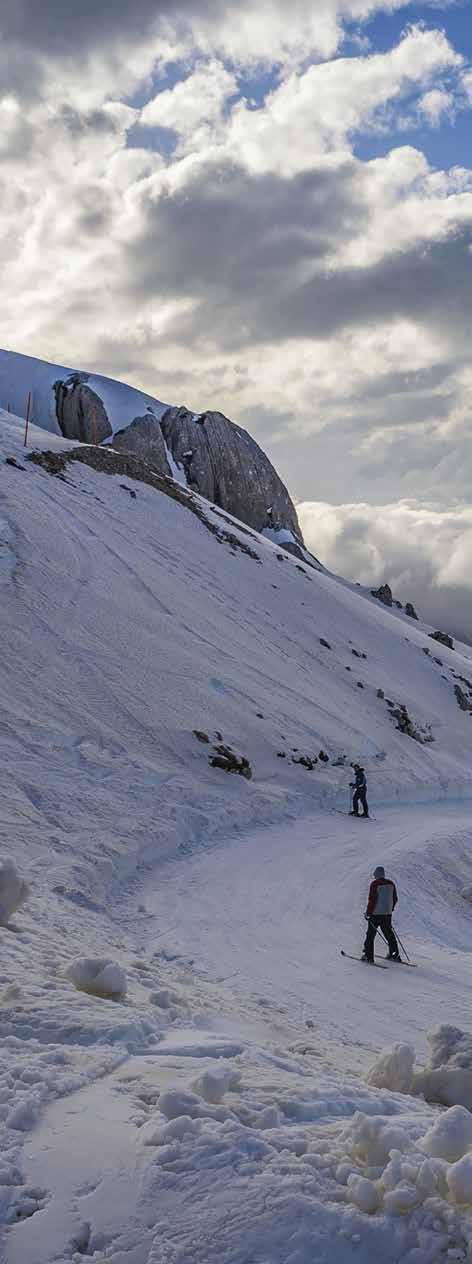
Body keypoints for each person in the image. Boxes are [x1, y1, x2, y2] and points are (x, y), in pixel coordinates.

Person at [362, 865, 401, 962]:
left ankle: (368, 956)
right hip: (387, 914)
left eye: (375, 875)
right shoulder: (391, 883)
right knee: (389, 934)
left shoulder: (375, 884)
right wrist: (390, 909)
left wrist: (368, 912)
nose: (374, 877)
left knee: (370, 935)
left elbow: (372, 900)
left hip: (375, 914)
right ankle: (394, 954)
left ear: (377, 874)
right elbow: (395, 898)